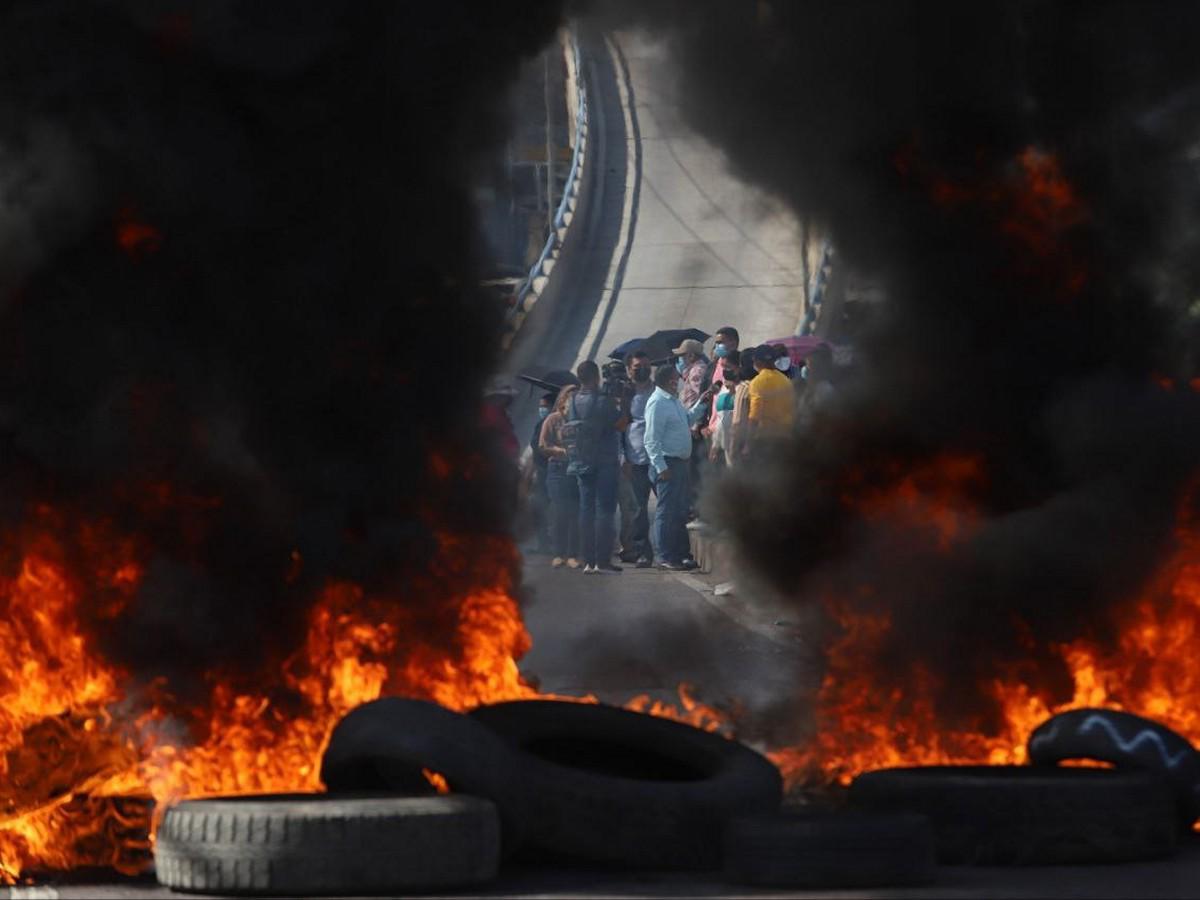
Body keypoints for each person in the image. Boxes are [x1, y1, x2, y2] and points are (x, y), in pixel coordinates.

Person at [564, 360, 626, 574]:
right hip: (604, 461)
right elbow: (621, 424)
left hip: (581, 460)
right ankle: (602, 560)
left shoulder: (573, 400)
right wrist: (621, 404)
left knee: (586, 510)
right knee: (605, 511)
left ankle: (588, 561)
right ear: (596, 377)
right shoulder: (603, 401)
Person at [645, 364, 706, 571]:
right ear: (668, 380)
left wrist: (701, 404)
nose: (678, 381)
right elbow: (651, 440)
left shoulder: (673, 401)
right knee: (666, 512)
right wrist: (660, 466)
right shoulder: (658, 403)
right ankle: (665, 555)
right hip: (667, 463)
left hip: (680, 464)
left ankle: (681, 554)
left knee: (679, 511)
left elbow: (686, 420)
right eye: (675, 378)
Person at [620, 349, 656, 567]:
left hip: (660, 457)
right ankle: (643, 551)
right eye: (637, 367)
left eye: (646, 366)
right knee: (639, 509)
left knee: (668, 507)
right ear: (628, 370)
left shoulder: (659, 391)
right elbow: (618, 430)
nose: (642, 370)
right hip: (636, 459)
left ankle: (675, 551)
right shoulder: (625, 396)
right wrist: (622, 456)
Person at [538, 385, 581, 568]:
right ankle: (558, 553)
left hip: (577, 469)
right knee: (560, 511)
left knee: (575, 513)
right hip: (557, 469)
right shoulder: (553, 419)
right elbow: (542, 445)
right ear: (562, 400)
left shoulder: (581, 421)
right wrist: (560, 451)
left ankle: (572, 554)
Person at [743, 345, 795, 458]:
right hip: (785, 437)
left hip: (765, 439)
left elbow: (754, 416)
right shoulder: (786, 381)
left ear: (756, 361)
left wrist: (748, 444)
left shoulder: (757, 382)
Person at [527, 391, 557, 554]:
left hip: (552, 472)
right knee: (538, 507)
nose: (542, 409)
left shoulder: (554, 422)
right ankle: (543, 543)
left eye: (544, 406)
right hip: (541, 472)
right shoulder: (540, 423)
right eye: (540, 407)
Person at [728, 347, 758, 464]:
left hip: (744, 448)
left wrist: (732, 451)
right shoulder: (763, 385)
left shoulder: (744, 387)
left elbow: (738, 423)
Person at [707, 362, 740, 468]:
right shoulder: (723, 393)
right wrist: (715, 445)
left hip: (741, 443)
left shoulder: (742, 390)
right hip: (728, 445)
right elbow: (721, 421)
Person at [797, 342, 837, 428]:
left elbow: (821, 416)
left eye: (810, 365)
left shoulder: (825, 389)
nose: (807, 369)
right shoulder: (808, 388)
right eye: (807, 365)